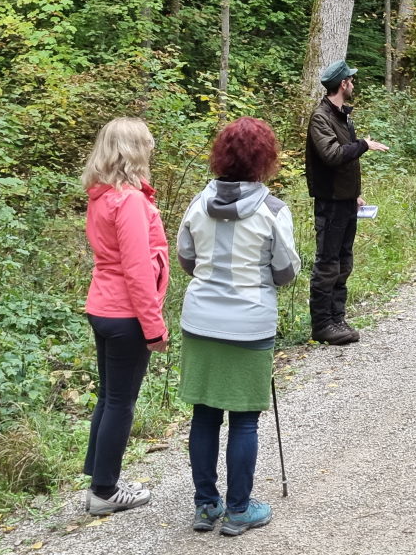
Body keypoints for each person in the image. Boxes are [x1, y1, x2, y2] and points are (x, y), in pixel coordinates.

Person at [176, 117, 301, 536]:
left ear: (221, 155)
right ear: (264, 159)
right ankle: (239, 509)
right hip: (249, 323)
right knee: (245, 420)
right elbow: (285, 272)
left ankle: (205, 506)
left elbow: (186, 258)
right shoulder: (273, 210)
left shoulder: (198, 203)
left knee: (205, 414)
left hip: (201, 320)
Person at [80, 117, 170, 515]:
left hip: (102, 307)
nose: (151, 151)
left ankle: (100, 479)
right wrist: (154, 327)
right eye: (147, 145)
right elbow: (136, 269)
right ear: (134, 150)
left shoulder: (101, 195)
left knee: (109, 397)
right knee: (121, 401)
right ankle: (104, 491)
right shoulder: (129, 201)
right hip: (125, 314)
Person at [305, 60, 388, 345]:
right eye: (351, 80)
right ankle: (322, 324)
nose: (353, 84)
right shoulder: (321, 117)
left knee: (344, 261)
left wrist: (354, 193)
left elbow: (345, 163)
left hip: (345, 201)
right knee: (327, 263)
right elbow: (332, 155)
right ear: (343, 84)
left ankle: (337, 318)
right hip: (329, 203)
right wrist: (364, 144)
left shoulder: (342, 116)